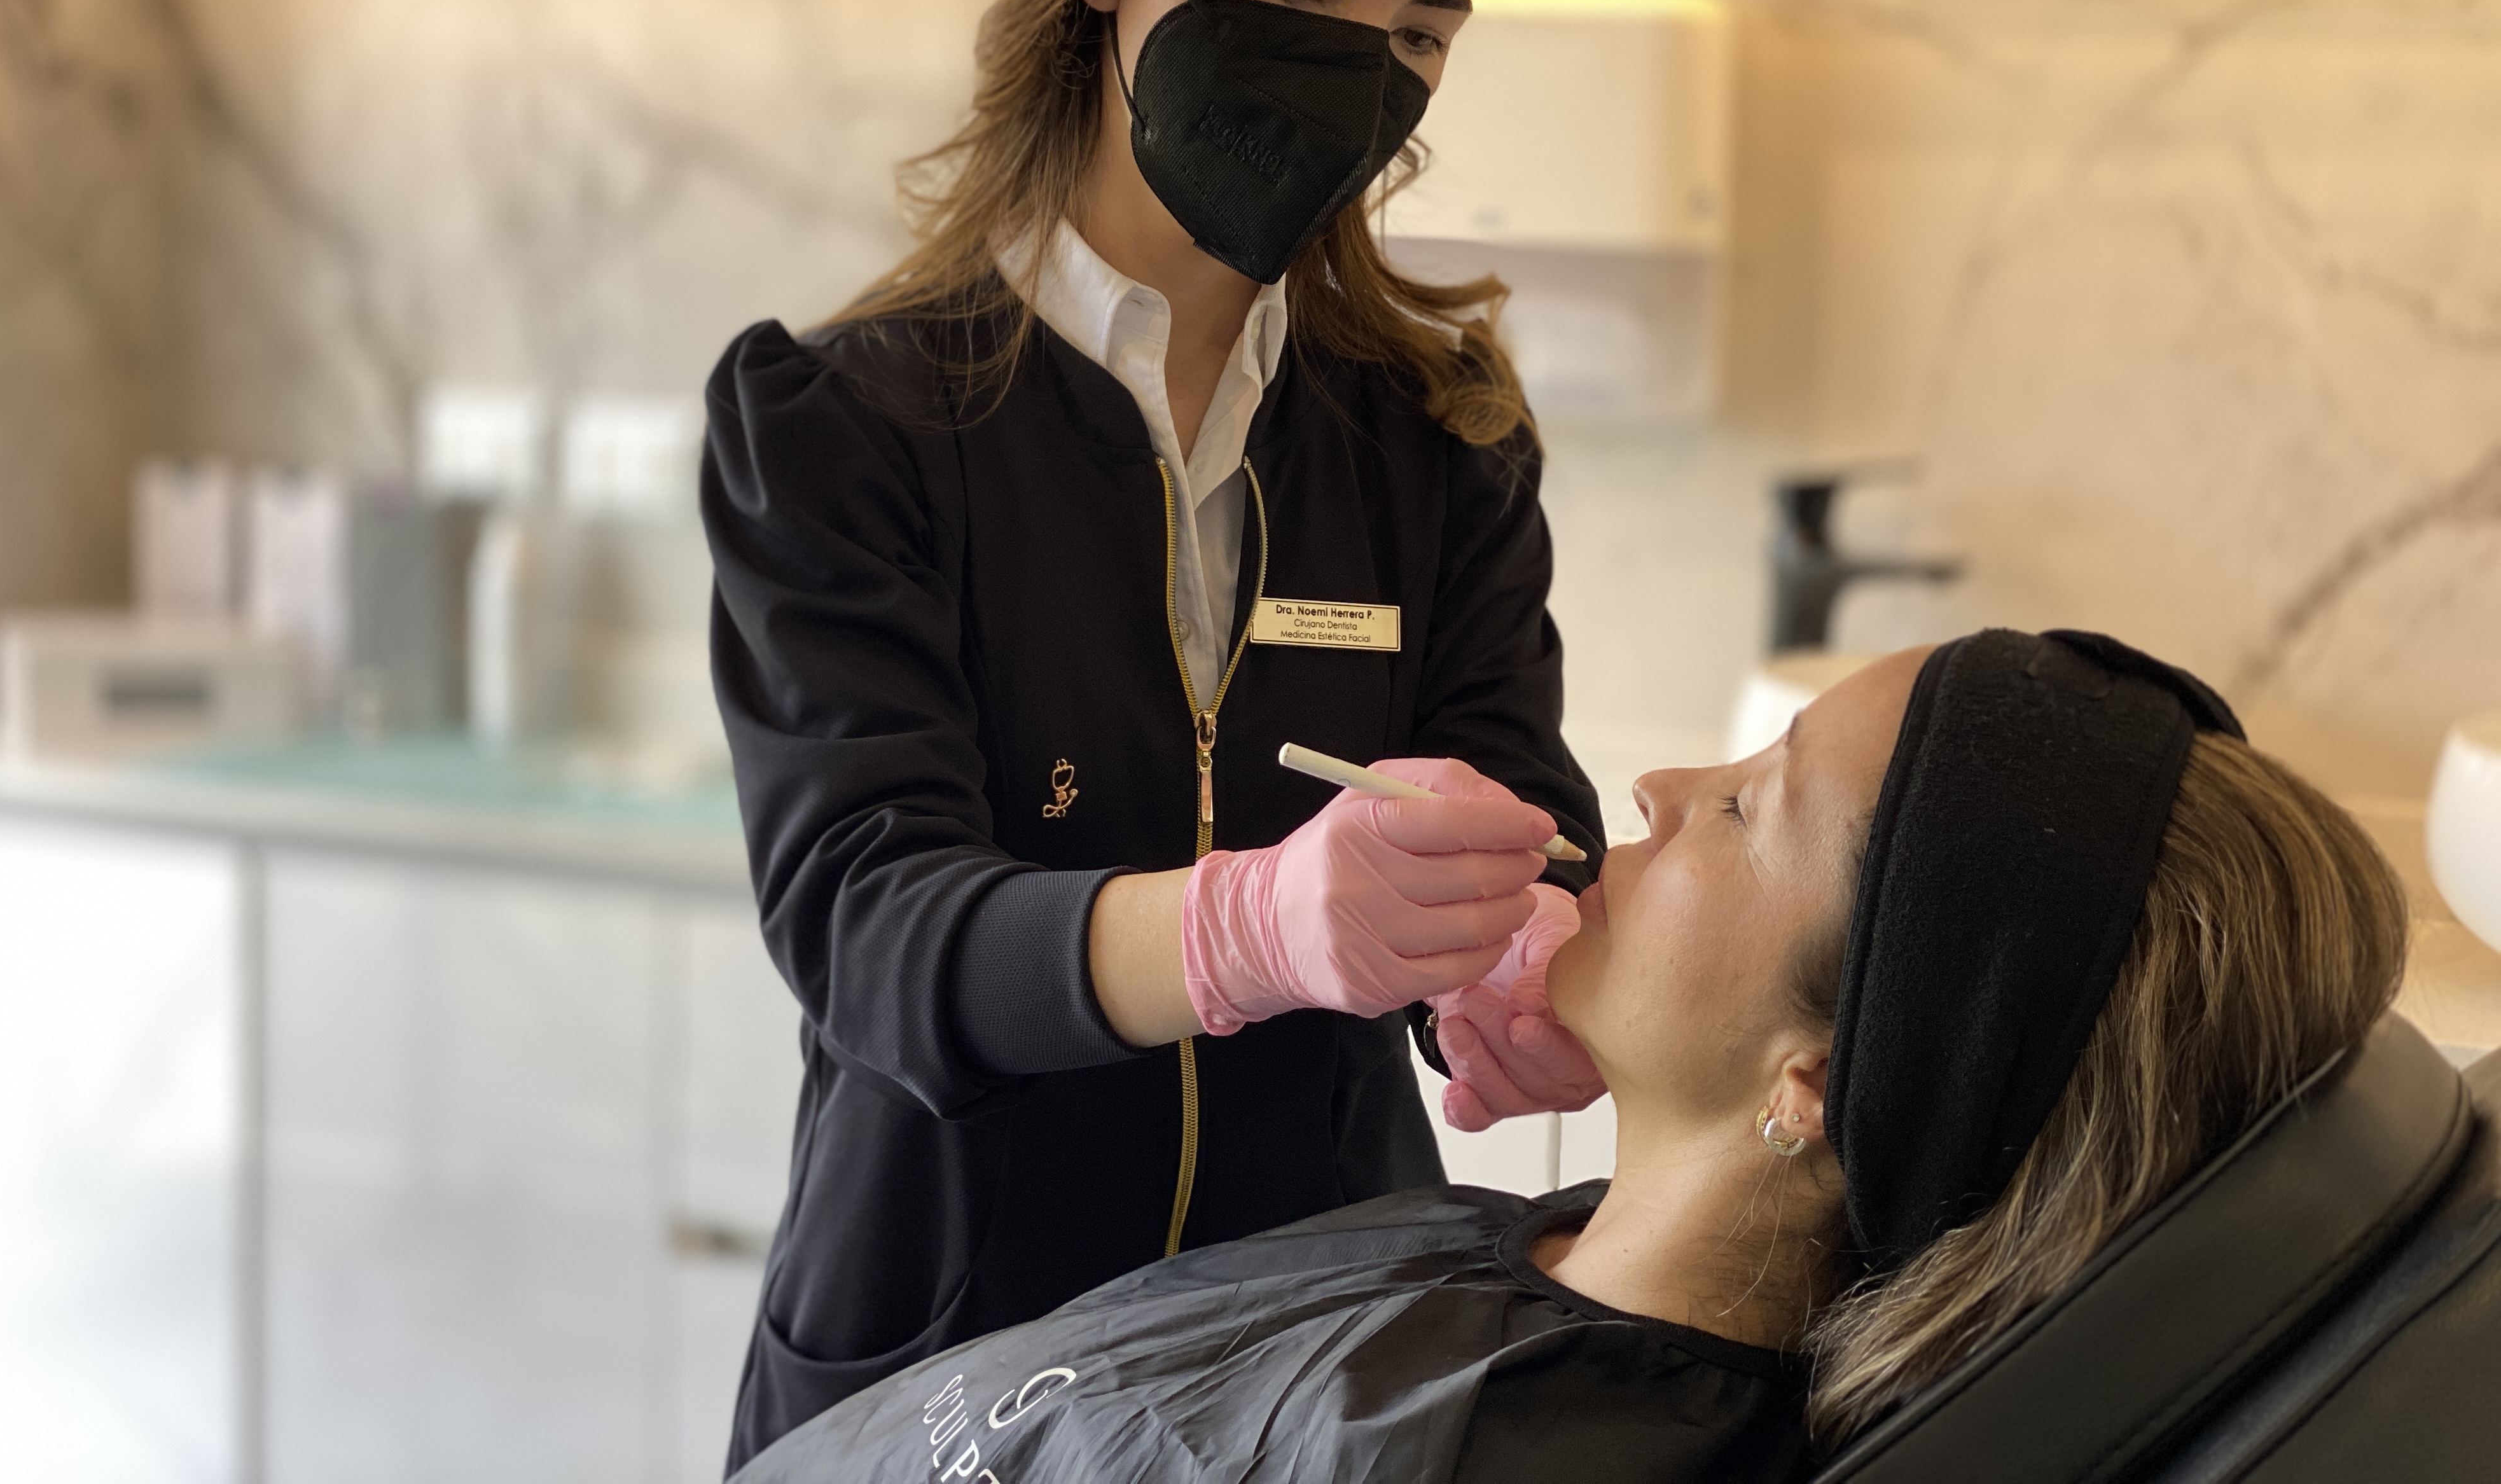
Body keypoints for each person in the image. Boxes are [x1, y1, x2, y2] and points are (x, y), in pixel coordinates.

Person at [700, 0, 1613, 1464]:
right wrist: (1249, 926)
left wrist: (1535, 964)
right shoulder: (844, 429)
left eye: (1424, 28)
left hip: (1310, 1379)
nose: (1356, 72)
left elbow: (1520, 797)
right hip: (942, 1373)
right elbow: (872, 933)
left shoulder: (1439, 440)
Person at [728, 629, 2409, 1483]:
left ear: (1811, 1082)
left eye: (1751, 809)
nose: (1665, 788)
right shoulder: (1554, 1277)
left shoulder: (1523, 1451)